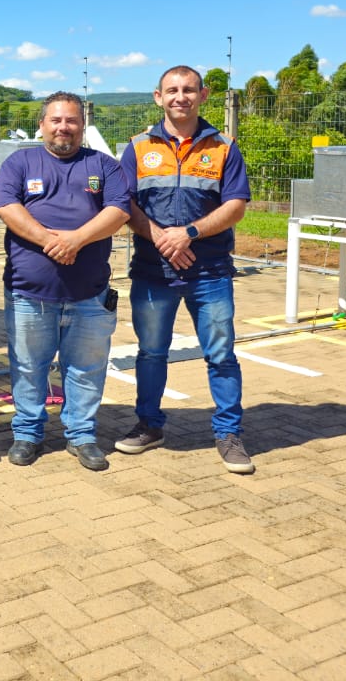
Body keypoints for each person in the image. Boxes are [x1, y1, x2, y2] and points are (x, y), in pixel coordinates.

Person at [116, 65, 254, 474]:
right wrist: (162, 237)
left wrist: (188, 233)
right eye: (172, 90)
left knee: (221, 355)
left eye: (189, 90)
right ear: (158, 97)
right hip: (152, 269)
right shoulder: (138, 148)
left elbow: (236, 206)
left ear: (203, 95)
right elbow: (124, 205)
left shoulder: (224, 147)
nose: (181, 97)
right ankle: (149, 425)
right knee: (151, 353)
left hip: (209, 271)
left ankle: (228, 433)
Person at [0, 93, 130, 470]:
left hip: (90, 292)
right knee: (27, 366)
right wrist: (50, 241)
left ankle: (82, 434)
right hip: (29, 292)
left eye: (71, 120)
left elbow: (119, 210)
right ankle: (27, 433)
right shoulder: (20, 162)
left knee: (86, 368)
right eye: (55, 120)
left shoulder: (103, 165)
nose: (63, 127)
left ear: (81, 126)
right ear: (42, 125)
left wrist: (76, 240)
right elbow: (5, 205)